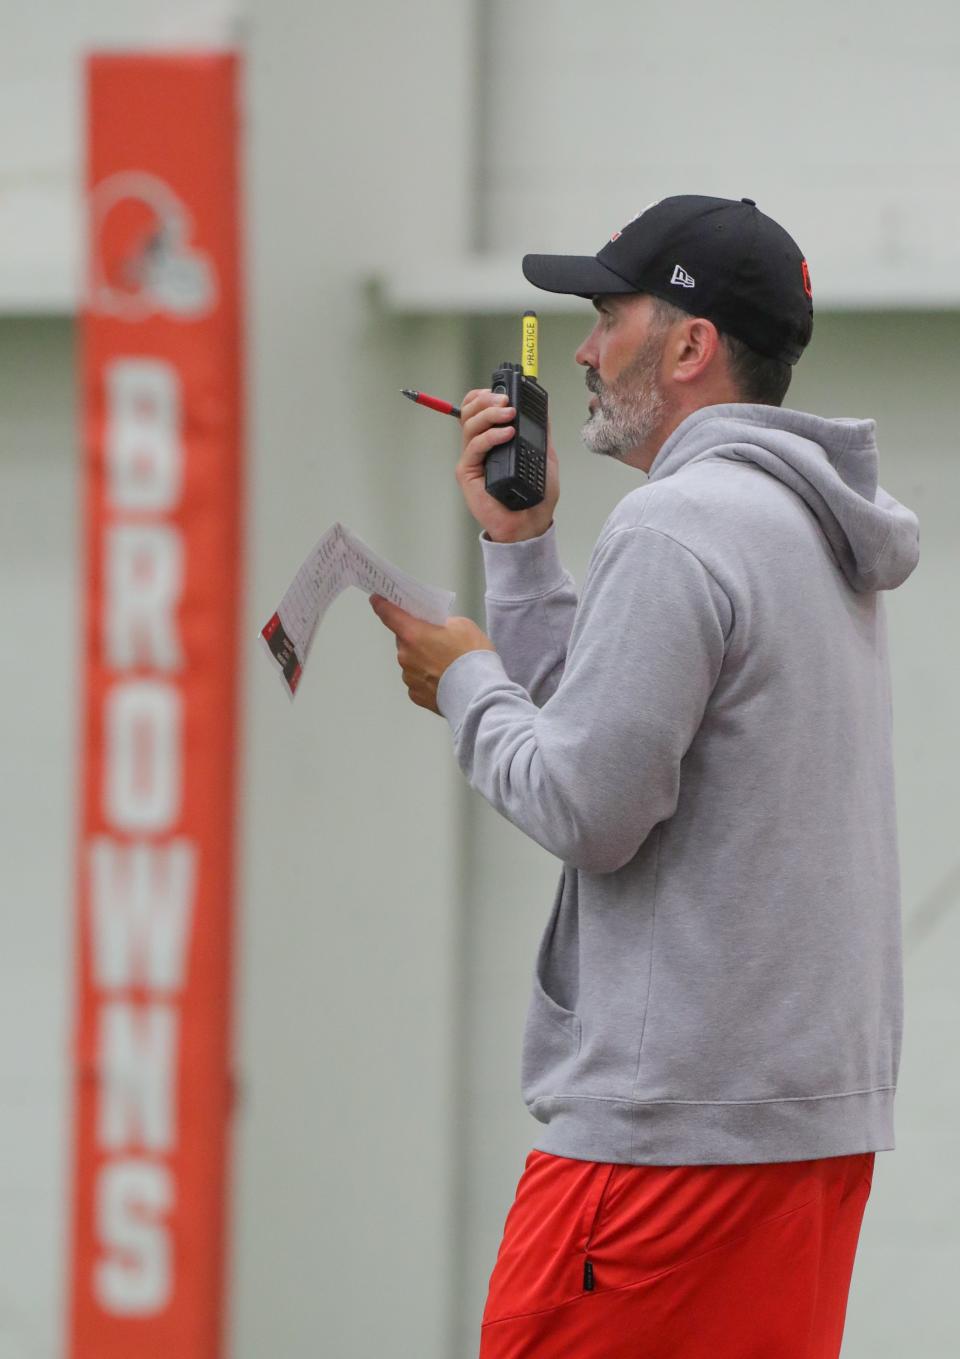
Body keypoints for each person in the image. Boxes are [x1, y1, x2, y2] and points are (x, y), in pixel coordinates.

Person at [369, 195, 920, 1358]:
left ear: (688, 345)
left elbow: (588, 806)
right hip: (799, 1147)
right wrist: (520, 558)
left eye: (606, 314)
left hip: (665, 1156)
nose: (578, 350)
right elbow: (616, 740)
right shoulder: (809, 527)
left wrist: (468, 680)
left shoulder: (676, 525)